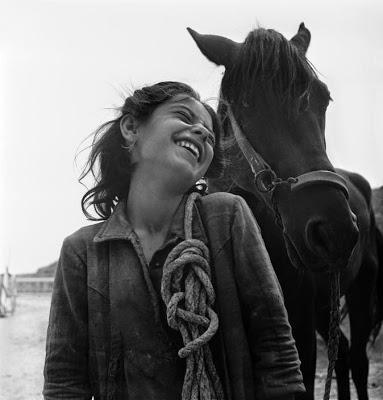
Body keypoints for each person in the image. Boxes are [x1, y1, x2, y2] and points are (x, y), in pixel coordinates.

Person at [43, 81, 305, 400]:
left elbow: (276, 350)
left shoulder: (228, 216)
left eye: (209, 133)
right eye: (183, 115)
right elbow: (64, 381)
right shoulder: (82, 250)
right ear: (130, 128)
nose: (202, 133)